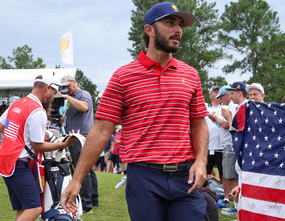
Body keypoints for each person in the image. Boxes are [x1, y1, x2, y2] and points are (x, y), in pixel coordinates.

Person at [61, 2, 209, 220]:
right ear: (149, 30)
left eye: (180, 24)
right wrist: (77, 179)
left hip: (186, 177)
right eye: (170, 23)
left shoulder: (191, 74)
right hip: (144, 177)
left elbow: (198, 124)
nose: (178, 29)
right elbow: (101, 131)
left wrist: (201, 162)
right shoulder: (123, 77)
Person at [0, 75, 76, 221]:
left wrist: (19, 137)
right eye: (53, 93)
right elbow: (38, 146)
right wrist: (63, 144)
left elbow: (0, 126)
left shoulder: (18, 103)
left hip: (6, 160)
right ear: (48, 88)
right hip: (18, 163)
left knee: (24, 208)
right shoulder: (38, 110)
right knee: (34, 208)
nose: (53, 98)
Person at [60, 74, 98, 212]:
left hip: (80, 136)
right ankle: (93, 200)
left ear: (75, 83)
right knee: (87, 169)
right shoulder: (75, 96)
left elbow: (85, 107)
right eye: (64, 87)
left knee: (81, 169)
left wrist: (68, 98)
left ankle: (86, 204)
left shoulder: (82, 94)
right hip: (78, 136)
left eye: (68, 86)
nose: (66, 89)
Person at [209, 85, 238, 209]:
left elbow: (227, 125)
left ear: (227, 94)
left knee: (230, 176)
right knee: (228, 175)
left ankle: (236, 206)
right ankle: (236, 206)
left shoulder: (231, 106)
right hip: (225, 145)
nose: (220, 99)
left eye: (221, 96)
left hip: (229, 145)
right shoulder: (228, 106)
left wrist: (214, 117)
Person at [205, 86, 224, 196]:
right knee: (205, 173)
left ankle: (227, 196)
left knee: (224, 175)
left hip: (222, 148)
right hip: (207, 147)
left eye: (219, 92)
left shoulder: (225, 107)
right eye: (215, 92)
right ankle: (207, 194)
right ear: (210, 95)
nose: (218, 94)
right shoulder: (205, 107)